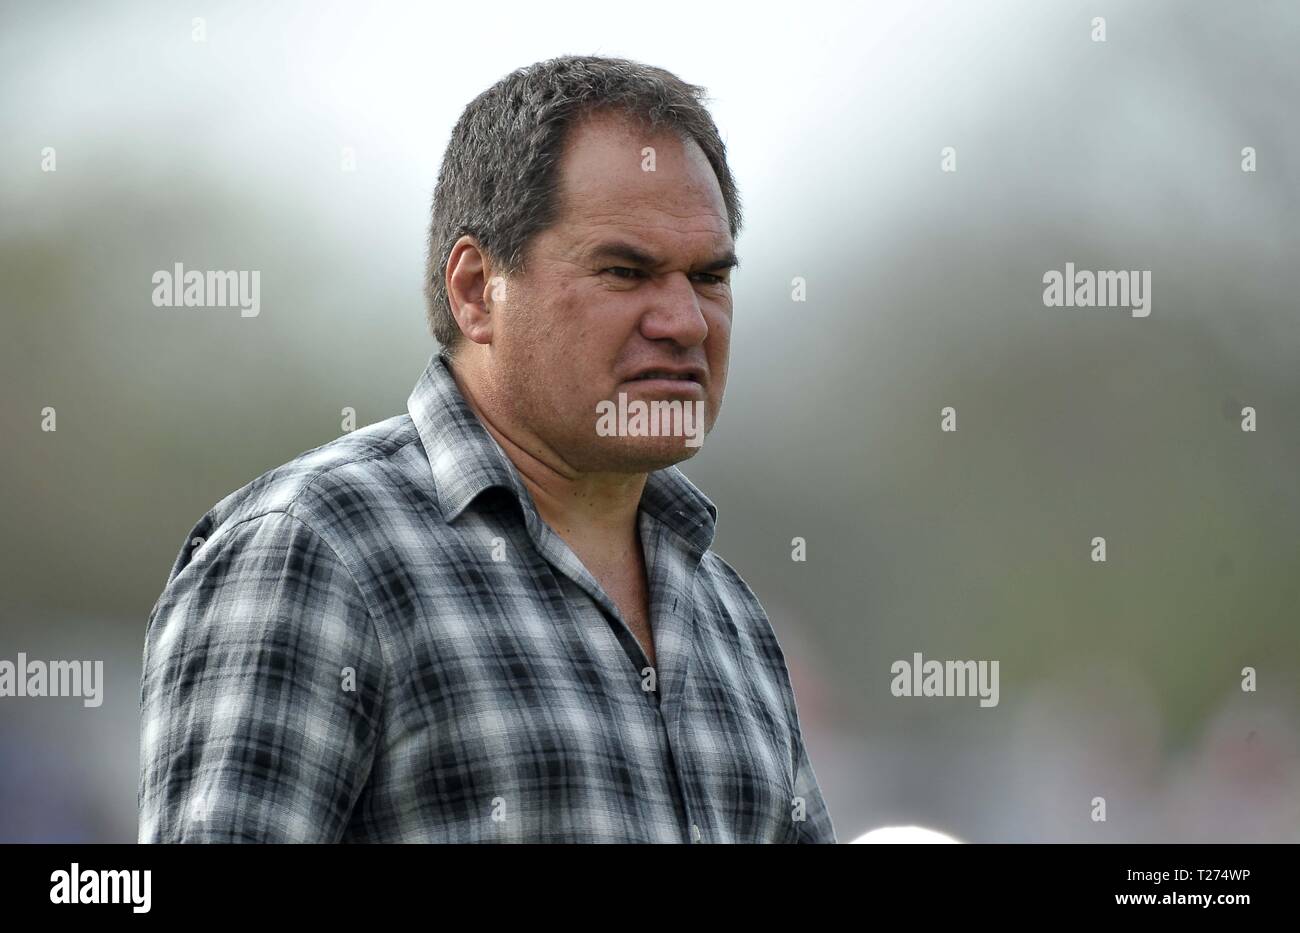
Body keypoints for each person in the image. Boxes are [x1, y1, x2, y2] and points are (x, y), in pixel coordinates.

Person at [138, 54, 836, 843]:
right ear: (476, 290)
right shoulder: (314, 551)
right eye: (624, 271)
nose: (685, 321)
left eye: (708, 277)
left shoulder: (730, 616)